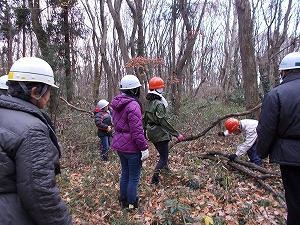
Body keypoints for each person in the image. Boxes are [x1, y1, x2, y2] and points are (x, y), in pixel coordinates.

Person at [0, 57, 73, 225]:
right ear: (35, 92)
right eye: (49, 90)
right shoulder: (32, 129)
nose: (50, 96)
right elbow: (40, 193)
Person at [256, 52, 300, 225]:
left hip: (291, 158)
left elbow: (266, 129)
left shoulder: (276, 94)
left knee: (296, 202)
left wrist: (261, 153)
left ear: (284, 72)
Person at [110, 74, 149, 210]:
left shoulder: (115, 104)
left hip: (120, 146)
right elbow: (137, 131)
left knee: (125, 174)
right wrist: (144, 148)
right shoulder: (133, 105)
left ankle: (123, 199)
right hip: (132, 147)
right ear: (134, 90)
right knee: (133, 177)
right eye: (137, 88)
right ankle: (132, 204)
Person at [143, 77, 184, 185]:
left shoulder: (149, 103)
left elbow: (144, 119)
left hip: (151, 133)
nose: (162, 89)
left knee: (162, 154)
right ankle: (154, 180)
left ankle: (166, 172)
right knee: (163, 158)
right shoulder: (158, 103)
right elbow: (162, 121)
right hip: (159, 133)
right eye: (160, 88)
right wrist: (176, 134)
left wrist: (144, 132)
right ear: (156, 89)